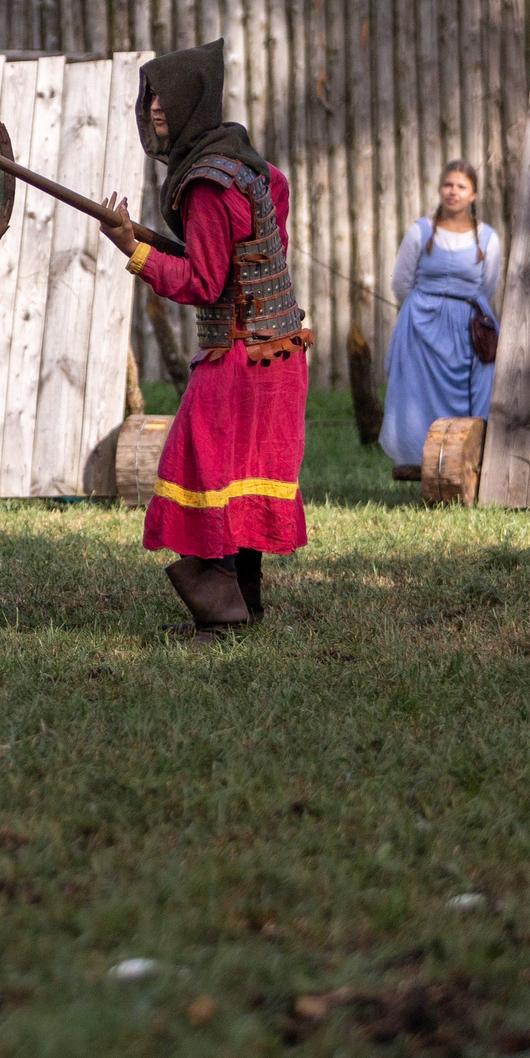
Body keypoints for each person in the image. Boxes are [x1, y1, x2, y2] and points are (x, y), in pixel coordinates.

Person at [98, 38, 311, 639]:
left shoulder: (206, 185)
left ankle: (220, 617)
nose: (155, 111)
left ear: (195, 101)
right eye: (150, 100)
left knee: (199, 472)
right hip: (279, 351)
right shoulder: (249, 166)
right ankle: (246, 604)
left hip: (240, 361)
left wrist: (135, 251)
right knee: (241, 478)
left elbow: (204, 280)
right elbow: (253, 254)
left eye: (165, 99)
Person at [380, 160, 503, 480]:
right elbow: (401, 282)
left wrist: (459, 310)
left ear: (474, 194)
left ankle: (466, 464)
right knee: (418, 393)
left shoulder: (487, 238)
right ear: (440, 189)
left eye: (461, 186)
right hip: (422, 326)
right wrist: (427, 308)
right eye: (448, 184)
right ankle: (419, 463)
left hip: (468, 327)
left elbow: (487, 285)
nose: (454, 192)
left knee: (472, 393)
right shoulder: (420, 231)